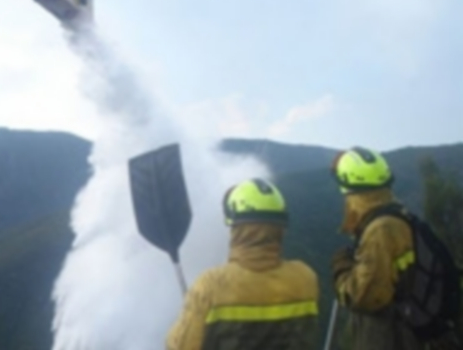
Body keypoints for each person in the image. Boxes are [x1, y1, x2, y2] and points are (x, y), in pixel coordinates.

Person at [329, 146, 462, 350]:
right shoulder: (398, 217)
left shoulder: (381, 230)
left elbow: (366, 296)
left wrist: (342, 269)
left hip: (397, 340)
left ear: (350, 192)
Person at [166, 178, 320, 350]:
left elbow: (181, 346)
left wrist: (188, 315)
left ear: (236, 228)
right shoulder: (306, 279)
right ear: (281, 229)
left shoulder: (211, 286)